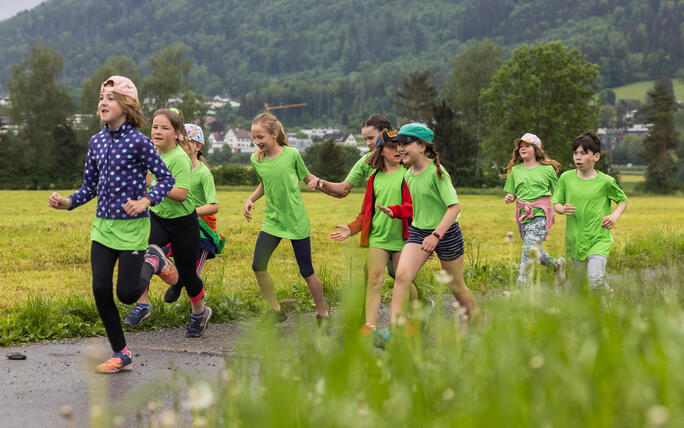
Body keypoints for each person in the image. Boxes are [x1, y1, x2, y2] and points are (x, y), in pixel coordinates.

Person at [48, 76, 174, 373]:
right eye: (101, 98)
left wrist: (147, 201)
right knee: (100, 288)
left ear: (127, 105)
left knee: (127, 294)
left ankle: (153, 259)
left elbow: (167, 179)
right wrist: (67, 203)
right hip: (103, 228)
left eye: (111, 98)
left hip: (132, 228)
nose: (103, 103)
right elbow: (89, 186)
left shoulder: (140, 143)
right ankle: (121, 352)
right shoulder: (96, 141)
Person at [125, 108, 212, 338]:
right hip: (158, 218)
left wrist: (153, 184)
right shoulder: (150, 153)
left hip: (184, 223)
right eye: (155, 127)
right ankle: (142, 305)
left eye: (165, 128)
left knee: (188, 276)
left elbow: (182, 194)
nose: (158, 131)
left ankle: (199, 312)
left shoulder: (179, 158)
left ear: (176, 134)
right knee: (140, 251)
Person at [388, 123, 478, 329]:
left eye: (405, 143)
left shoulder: (438, 172)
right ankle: (396, 329)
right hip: (419, 232)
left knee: (456, 287)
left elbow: (454, 207)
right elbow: (420, 209)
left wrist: (435, 237)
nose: (400, 148)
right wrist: (424, 236)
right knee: (401, 276)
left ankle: (477, 326)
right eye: (398, 144)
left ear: (422, 146)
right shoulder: (408, 174)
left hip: (446, 233)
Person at [330, 129, 418, 335]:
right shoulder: (374, 179)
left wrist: (395, 212)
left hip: (403, 238)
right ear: (381, 150)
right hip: (378, 237)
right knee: (374, 280)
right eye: (391, 146)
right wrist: (351, 229)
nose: (397, 150)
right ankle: (369, 326)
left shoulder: (409, 175)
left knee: (404, 281)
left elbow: (415, 207)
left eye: (400, 146)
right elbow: (366, 212)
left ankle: (413, 319)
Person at [243, 113, 329, 322]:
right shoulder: (256, 159)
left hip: (295, 220)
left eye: (260, 137)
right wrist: (251, 198)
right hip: (272, 221)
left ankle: (322, 313)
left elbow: (307, 177)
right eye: (254, 137)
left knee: (306, 270)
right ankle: (276, 310)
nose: (257, 142)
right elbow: (265, 183)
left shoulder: (292, 155)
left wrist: (313, 182)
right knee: (258, 265)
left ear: (274, 134)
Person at [552, 132, 627, 290]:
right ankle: (607, 295)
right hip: (575, 240)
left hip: (599, 238)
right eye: (575, 153)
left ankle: (606, 303)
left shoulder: (606, 181)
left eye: (584, 153)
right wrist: (562, 209)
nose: (578, 157)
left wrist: (615, 216)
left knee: (594, 278)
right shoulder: (566, 178)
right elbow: (556, 203)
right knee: (582, 284)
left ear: (596, 157)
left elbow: (622, 201)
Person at [162, 123, 225, 303]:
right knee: (159, 254)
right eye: (179, 142)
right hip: (178, 227)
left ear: (197, 147)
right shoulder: (176, 167)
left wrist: (191, 212)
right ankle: (177, 279)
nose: (180, 145)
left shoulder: (204, 173)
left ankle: (195, 306)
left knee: (191, 277)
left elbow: (214, 205)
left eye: (185, 142)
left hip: (202, 235)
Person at [503, 133, 565, 286]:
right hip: (523, 215)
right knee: (533, 251)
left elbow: (558, 192)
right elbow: (512, 191)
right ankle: (557, 266)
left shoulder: (548, 170)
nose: (522, 148)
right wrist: (510, 197)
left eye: (527, 146)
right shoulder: (515, 170)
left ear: (536, 149)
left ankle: (521, 287)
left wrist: (560, 205)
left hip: (540, 215)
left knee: (529, 250)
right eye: (520, 147)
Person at [318, 113, 392, 198]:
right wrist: (320, 182)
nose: (368, 143)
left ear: (385, 132)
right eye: (365, 139)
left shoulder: (405, 159)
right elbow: (343, 189)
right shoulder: (367, 160)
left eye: (371, 138)